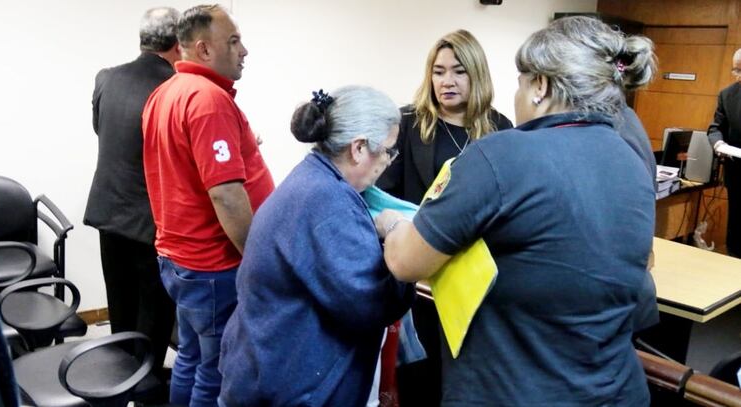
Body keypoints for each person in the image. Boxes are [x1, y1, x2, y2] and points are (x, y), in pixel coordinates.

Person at [377, 16, 657, 405]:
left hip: (515, 390)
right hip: (613, 389)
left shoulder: (501, 151)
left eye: (522, 83)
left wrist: (391, 223)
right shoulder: (630, 160)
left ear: (540, 86)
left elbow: (407, 263)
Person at [219, 86, 415, 407]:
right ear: (359, 148)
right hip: (292, 386)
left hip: (264, 368)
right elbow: (372, 305)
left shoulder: (311, 179)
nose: (389, 163)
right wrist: (397, 235)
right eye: (388, 152)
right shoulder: (329, 203)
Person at [141, 5, 274, 406]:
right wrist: (257, 258)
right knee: (216, 371)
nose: (244, 51)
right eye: (233, 41)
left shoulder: (165, 94)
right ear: (203, 49)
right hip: (212, 265)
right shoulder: (208, 100)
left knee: (191, 357)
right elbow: (226, 193)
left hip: (181, 260)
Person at [375, 28, 512, 405]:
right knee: (420, 378)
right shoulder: (407, 122)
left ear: (477, 74)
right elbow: (381, 194)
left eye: (458, 71)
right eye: (438, 71)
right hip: (418, 274)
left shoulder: (500, 130)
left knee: (464, 378)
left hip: (473, 279)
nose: (446, 81)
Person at [83, 7, 179, 399]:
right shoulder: (176, 89)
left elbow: (100, 129)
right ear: (179, 43)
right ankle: (144, 392)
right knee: (154, 325)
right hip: (154, 224)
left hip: (110, 214)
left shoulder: (107, 78)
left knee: (119, 311)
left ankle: (116, 388)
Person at [707, 48, 741, 258]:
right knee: (737, 225)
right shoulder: (727, 94)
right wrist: (718, 144)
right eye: (736, 70)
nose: (738, 76)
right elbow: (715, 127)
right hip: (737, 172)